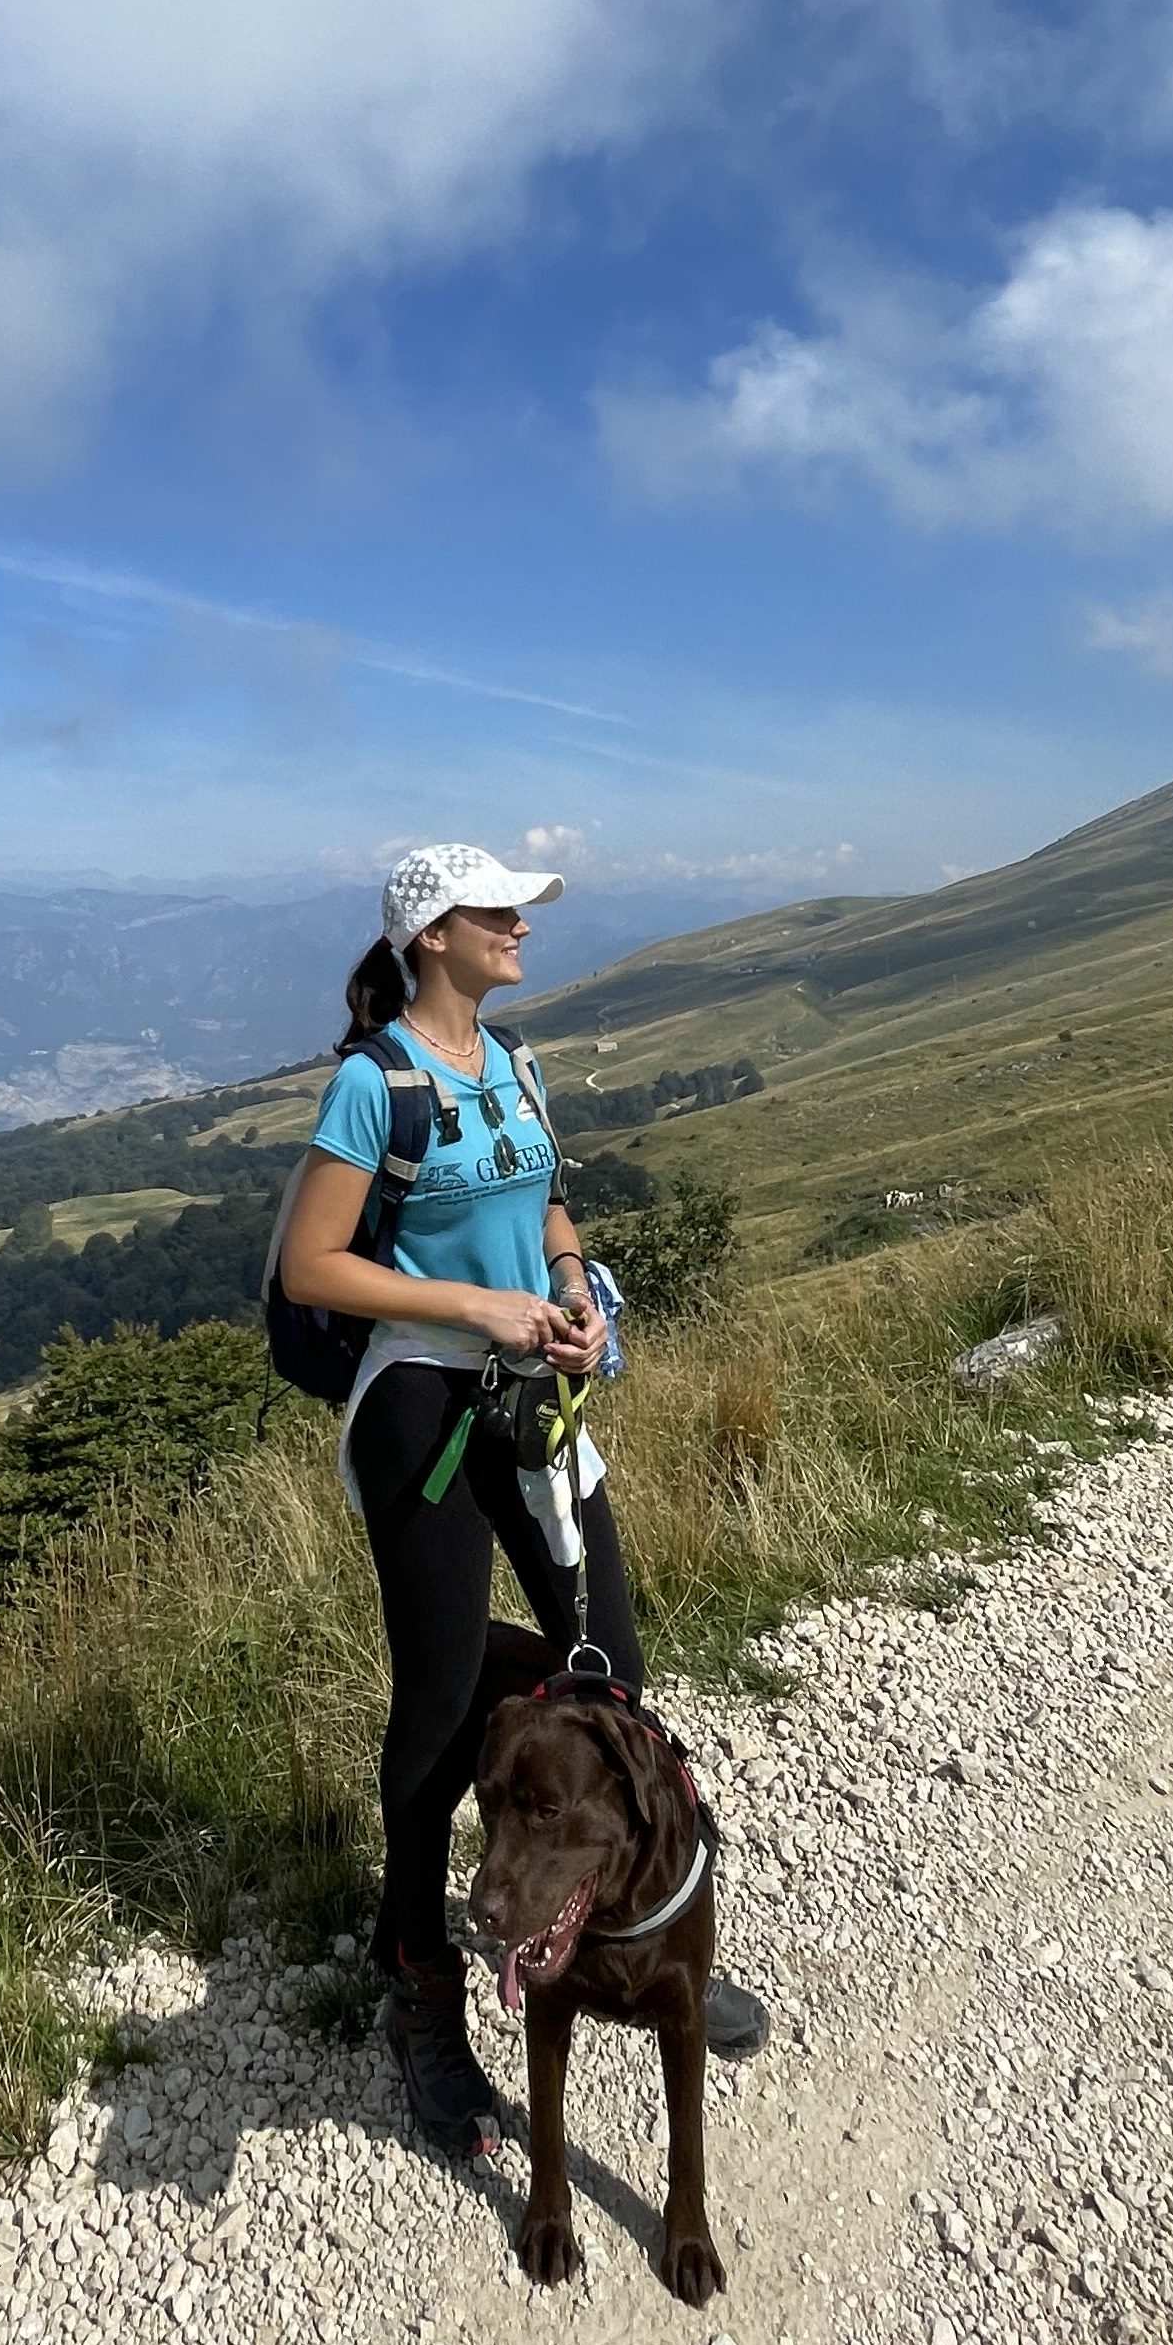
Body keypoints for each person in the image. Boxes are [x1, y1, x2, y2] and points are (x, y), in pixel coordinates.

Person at [278, 842, 763, 2155]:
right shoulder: (375, 1083)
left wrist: (571, 1290)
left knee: (613, 1665)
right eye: (497, 914)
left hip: (527, 1396)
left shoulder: (515, 1063)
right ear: (430, 935)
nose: (519, 931)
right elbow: (315, 1265)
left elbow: (549, 1202)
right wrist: (473, 1305)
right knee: (438, 1709)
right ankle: (420, 1986)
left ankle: (624, 1928)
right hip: (423, 1412)